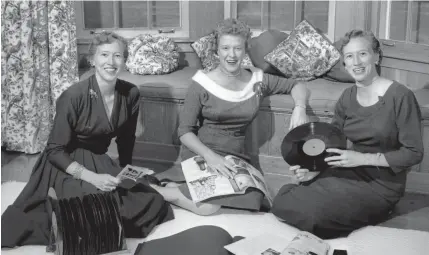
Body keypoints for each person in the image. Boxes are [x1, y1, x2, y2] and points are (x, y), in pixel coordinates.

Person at [1, 31, 176, 248]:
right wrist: (92, 178)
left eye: (117, 56)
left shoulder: (130, 93)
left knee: (150, 204)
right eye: (104, 55)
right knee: (93, 213)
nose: (111, 62)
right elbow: (55, 150)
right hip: (65, 163)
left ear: (125, 60)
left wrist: (126, 169)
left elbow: (126, 138)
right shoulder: (73, 96)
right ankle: (58, 218)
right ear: (92, 60)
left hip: (97, 158)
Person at [271, 29, 423, 239]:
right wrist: (313, 172)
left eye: (363, 54)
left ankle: (371, 208)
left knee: (314, 216)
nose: (356, 62)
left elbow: (414, 153)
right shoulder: (347, 96)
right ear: (345, 63)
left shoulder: (400, 96)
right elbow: (333, 144)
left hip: (381, 185)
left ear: (377, 56)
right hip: (347, 173)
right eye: (349, 57)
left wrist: (362, 158)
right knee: (281, 202)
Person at [167, 18, 309, 215]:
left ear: (245, 50)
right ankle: (160, 191)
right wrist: (212, 157)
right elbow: (184, 131)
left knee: (257, 200)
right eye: (225, 48)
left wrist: (300, 108)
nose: (231, 55)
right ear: (217, 50)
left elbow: (296, 85)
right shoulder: (201, 84)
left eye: (237, 48)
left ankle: (177, 189)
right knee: (208, 208)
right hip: (203, 153)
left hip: (236, 156)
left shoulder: (258, 81)